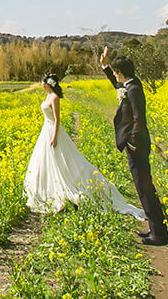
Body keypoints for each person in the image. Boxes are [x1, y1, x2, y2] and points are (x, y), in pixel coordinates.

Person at [24, 73, 146, 220]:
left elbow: (57, 120)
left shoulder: (55, 98)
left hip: (52, 132)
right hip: (45, 131)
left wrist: (54, 137)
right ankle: (46, 192)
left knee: (61, 159)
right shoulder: (48, 96)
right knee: (45, 161)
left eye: (42, 82)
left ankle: (65, 188)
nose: (41, 84)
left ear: (48, 84)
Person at [100, 46, 168, 245]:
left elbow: (140, 120)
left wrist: (132, 141)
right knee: (142, 187)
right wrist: (104, 65)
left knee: (145, 188)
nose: (114, 75)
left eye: (115, 71)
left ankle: (160, 235)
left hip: (136, 146)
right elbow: (116, 84)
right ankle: (154, 228)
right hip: (135, 145)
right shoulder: (131, 84)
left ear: (121, 73)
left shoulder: (134, 90)